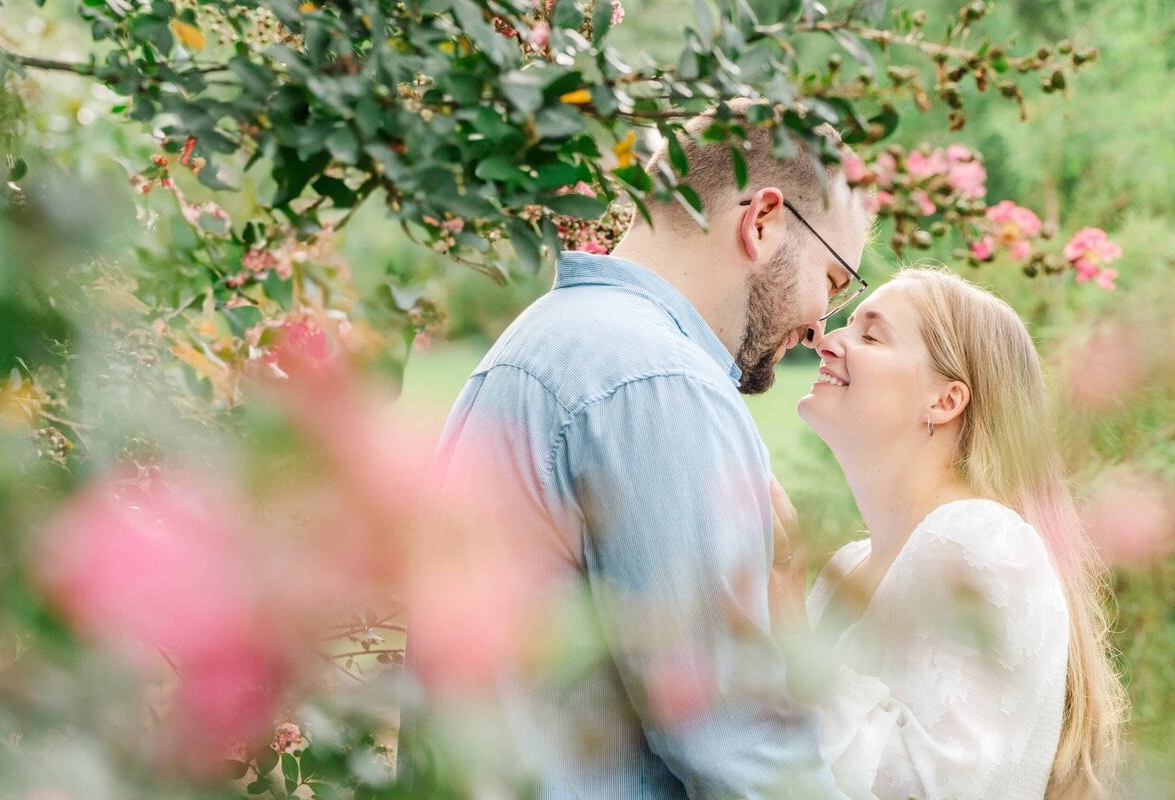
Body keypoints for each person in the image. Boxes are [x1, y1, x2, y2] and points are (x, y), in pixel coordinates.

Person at [397, 98, 870, 798]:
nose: (820, 325)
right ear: (763, 222)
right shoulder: (658, 380)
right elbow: (737, 740)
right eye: (832, 280)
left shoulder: (550, 341)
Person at [767, 267, 1127, 800]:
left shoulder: (982, 542)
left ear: (945, 401)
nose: (827, 339)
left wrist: (789, 628)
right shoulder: (847, 566)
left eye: (870, 334)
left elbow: (933, 787)